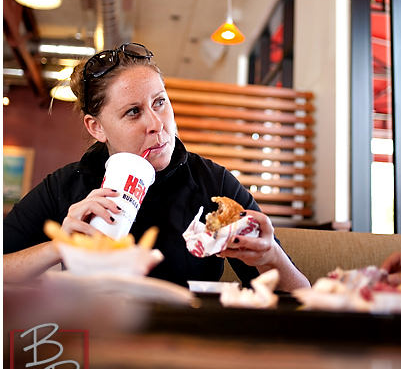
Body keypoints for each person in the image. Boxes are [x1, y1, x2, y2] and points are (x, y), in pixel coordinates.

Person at [3, 42, 311, 291]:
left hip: (185, 343)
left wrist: (270, 254)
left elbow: (300, 294)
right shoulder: (67, 185)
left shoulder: (212, 183)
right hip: (96, 341)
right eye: (133, 112)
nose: (156, 124)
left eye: (160, 102)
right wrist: (59, 247)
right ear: (96, 127)